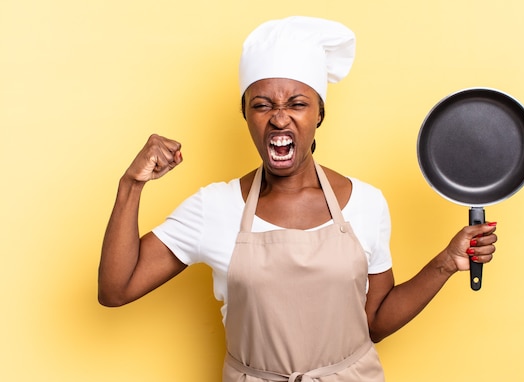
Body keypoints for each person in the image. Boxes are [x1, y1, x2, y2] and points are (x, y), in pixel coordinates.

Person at [98, 16, 497, 382]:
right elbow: (116, 290)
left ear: (319, 114)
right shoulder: (214, 208)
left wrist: (446, 262)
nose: (279, 117)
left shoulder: (366, 203)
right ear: (247, 116)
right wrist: (131, 185)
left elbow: (374, 321)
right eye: (262, 105)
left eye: (297, 103)